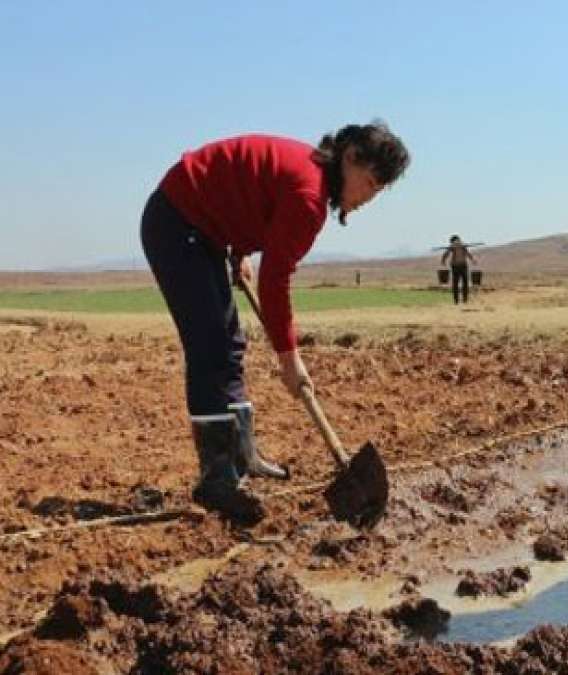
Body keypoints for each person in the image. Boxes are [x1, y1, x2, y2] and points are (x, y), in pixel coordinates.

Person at [140, 122, 410, 524]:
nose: (368, 199)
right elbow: (275, 280)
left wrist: (239, 249)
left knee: (230, 344)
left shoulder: (310, 178)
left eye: (378, 191)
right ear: (350, 157)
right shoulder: (309, 195)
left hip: (200, 228)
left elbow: (247, 194)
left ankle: (242, 455)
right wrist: (289, 358)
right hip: (178, 223)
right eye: (369, 183)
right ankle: (216, 480)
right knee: (210, 345)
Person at [440, 235, 477, 304]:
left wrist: (473, 259)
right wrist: (443, 260)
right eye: (456, 241)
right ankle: (457, 300)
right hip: (456, 266)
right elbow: (446, 254)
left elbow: (468, 253)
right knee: (456, 283)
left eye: (458, 241)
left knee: (464, 283)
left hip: (463, 266)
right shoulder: (452, 247)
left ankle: (464, 300)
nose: (457, 242)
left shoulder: (462, 246)